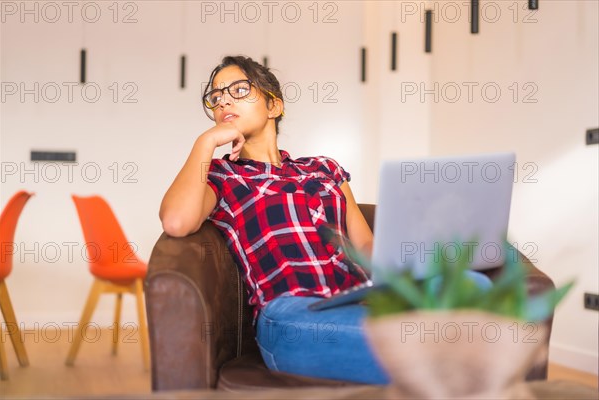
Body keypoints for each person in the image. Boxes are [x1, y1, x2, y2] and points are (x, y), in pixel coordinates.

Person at [160, 55, 491, 384]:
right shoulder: (223, 176)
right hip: (293, 315)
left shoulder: (324, 168)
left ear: (274, 106)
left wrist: (412, 269)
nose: (225, 101)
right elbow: (176, 221)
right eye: (216, 97)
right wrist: (205, 143)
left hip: (357, 301)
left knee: (475, 285)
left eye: (239, 89)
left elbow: (365, 245)